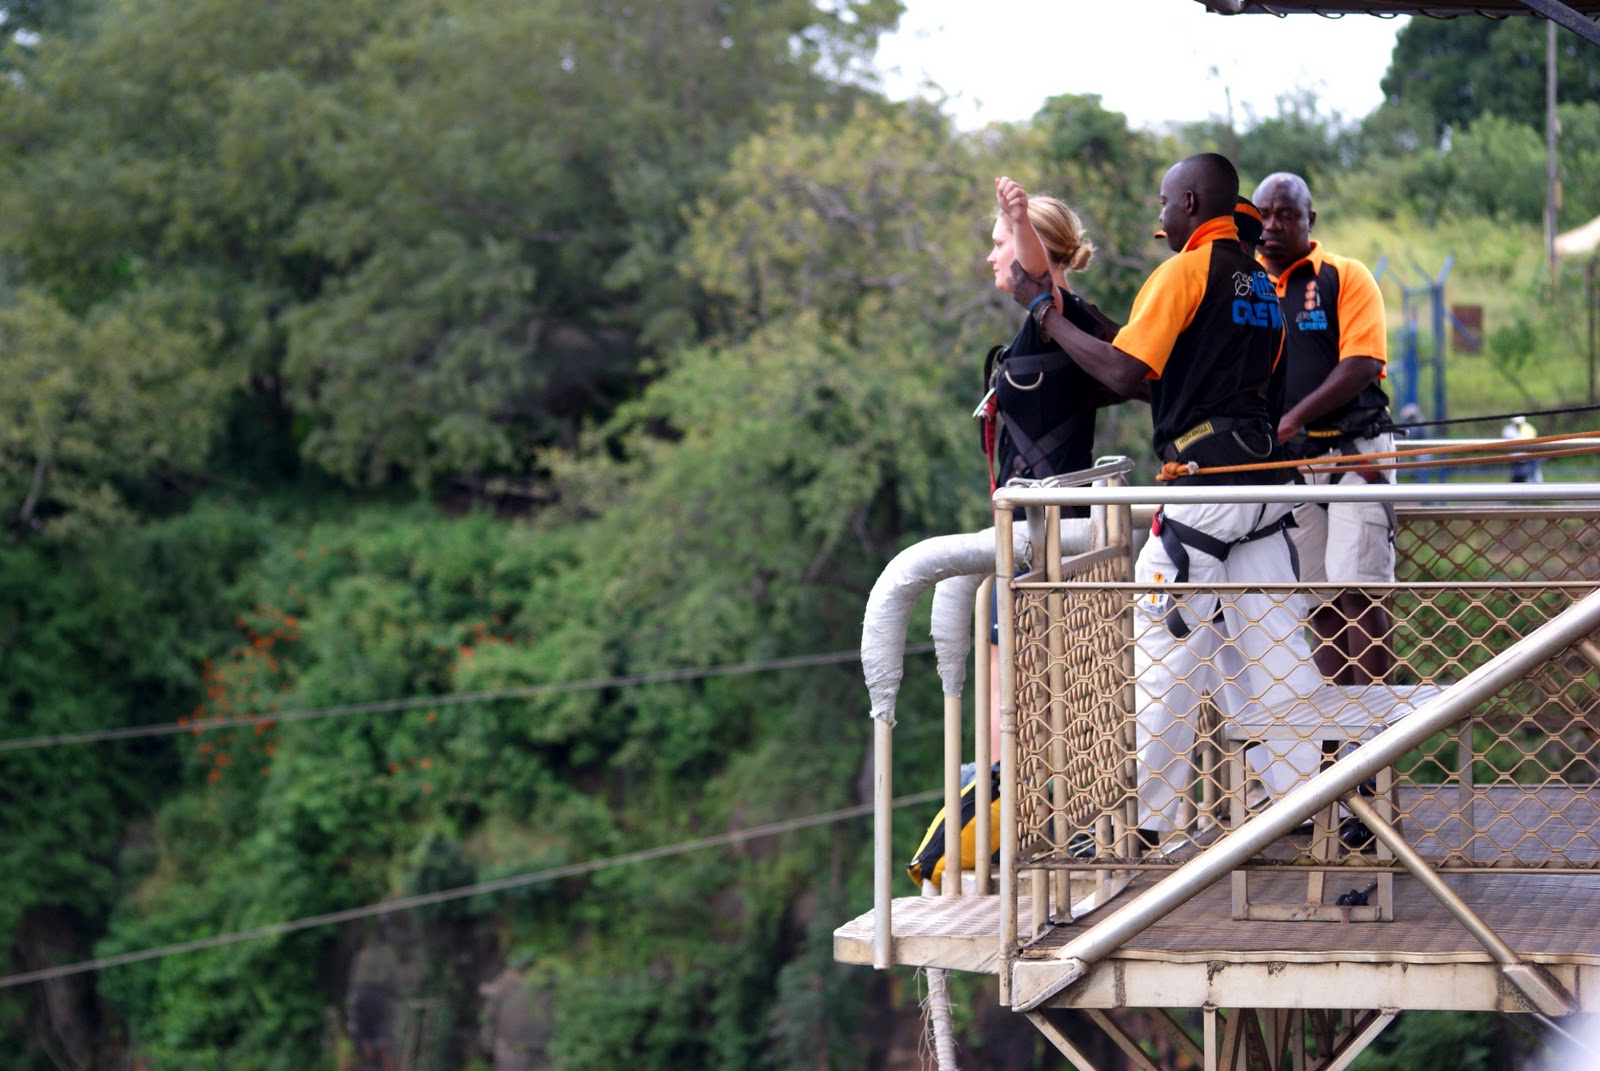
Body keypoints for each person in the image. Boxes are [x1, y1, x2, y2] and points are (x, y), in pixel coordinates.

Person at [1013, 152, 1326, 845]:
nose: (1159, 214)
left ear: (1189, 200)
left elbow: (1129, 371)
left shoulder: (1183, 273)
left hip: (1204, 495)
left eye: (1163, 202)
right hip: (1263, 494)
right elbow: (1183, 375)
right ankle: (1313, 804)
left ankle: (1144, 826)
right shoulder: (1260, 287)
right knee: (1274, 657)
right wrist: (1077, 315)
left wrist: (1048, 317)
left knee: (1164, 650)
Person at [977, 176, 1124, 760]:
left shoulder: (1057, 311)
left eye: (1001, 241)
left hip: (1044, 539)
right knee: (1037, 691)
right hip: (1041, 534)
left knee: (1009, 693)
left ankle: (996, 807)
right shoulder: (1051, 324)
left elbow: (1041, 281)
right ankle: (1012, 805)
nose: (992, 254)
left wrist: (1018, 218)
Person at [1254, 172, 1395, 686]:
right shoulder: (1246, 287)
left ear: (1309, 219)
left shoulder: (1344, 275)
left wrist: (1293, 417)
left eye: (1286, 214)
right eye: (1264, 214)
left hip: (1357, 454)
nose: (1272, 225)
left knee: (1357, 588)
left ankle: (1378, 738)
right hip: (1293, 466)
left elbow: (1361, 362)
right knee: (1319, 601)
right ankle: (1338, 744)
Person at [1504, 414, 1542, 482]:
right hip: (1515, 459)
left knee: (1531, 478)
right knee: (1517, 479)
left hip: (1528, 458)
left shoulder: (1529, 429)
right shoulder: (1508, 430)